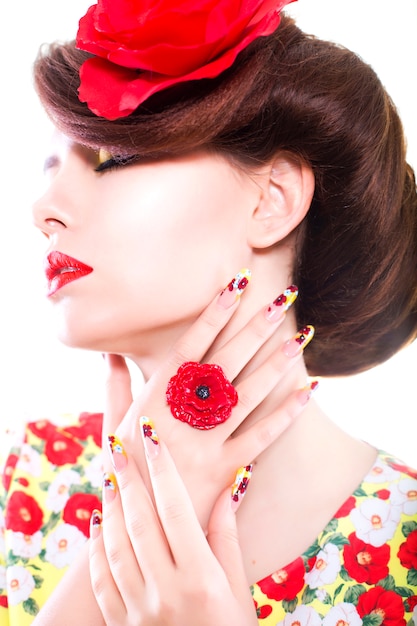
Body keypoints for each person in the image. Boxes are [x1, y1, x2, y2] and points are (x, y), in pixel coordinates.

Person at [1, 0, 417, 624]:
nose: (44, 210)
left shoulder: (404, 546)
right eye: (51, 168)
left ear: (272, 199)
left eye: (115, 158)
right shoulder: (20, 477)